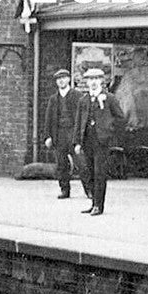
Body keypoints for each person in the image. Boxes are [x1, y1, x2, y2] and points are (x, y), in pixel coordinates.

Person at [72, 68, 125, 216]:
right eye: (90, 79)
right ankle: (93, 202)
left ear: (102, 80)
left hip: (102, 141)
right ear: (87, 82)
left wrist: (109, 131)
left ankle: (98, 205)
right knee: (89, 171)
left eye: (96, 79)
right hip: (87, 139)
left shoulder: (109, 99)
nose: (93, 82)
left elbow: (120, 119)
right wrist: (77, 142)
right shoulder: (83, 100)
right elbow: (78, 122)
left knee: (100, 172)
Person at [43, 69, 87, 200]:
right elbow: (48, 119)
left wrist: (81, 135)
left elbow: (83, 117)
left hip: (73, 134)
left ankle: (89, 190)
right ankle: (64, 190)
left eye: (64, 78)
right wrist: (48, 136)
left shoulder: (78, 96)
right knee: (61, 165)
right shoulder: (53, 99)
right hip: (59, 134)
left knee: (82, 164)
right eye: (58, 79)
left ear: (69, 79)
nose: (61, 81)